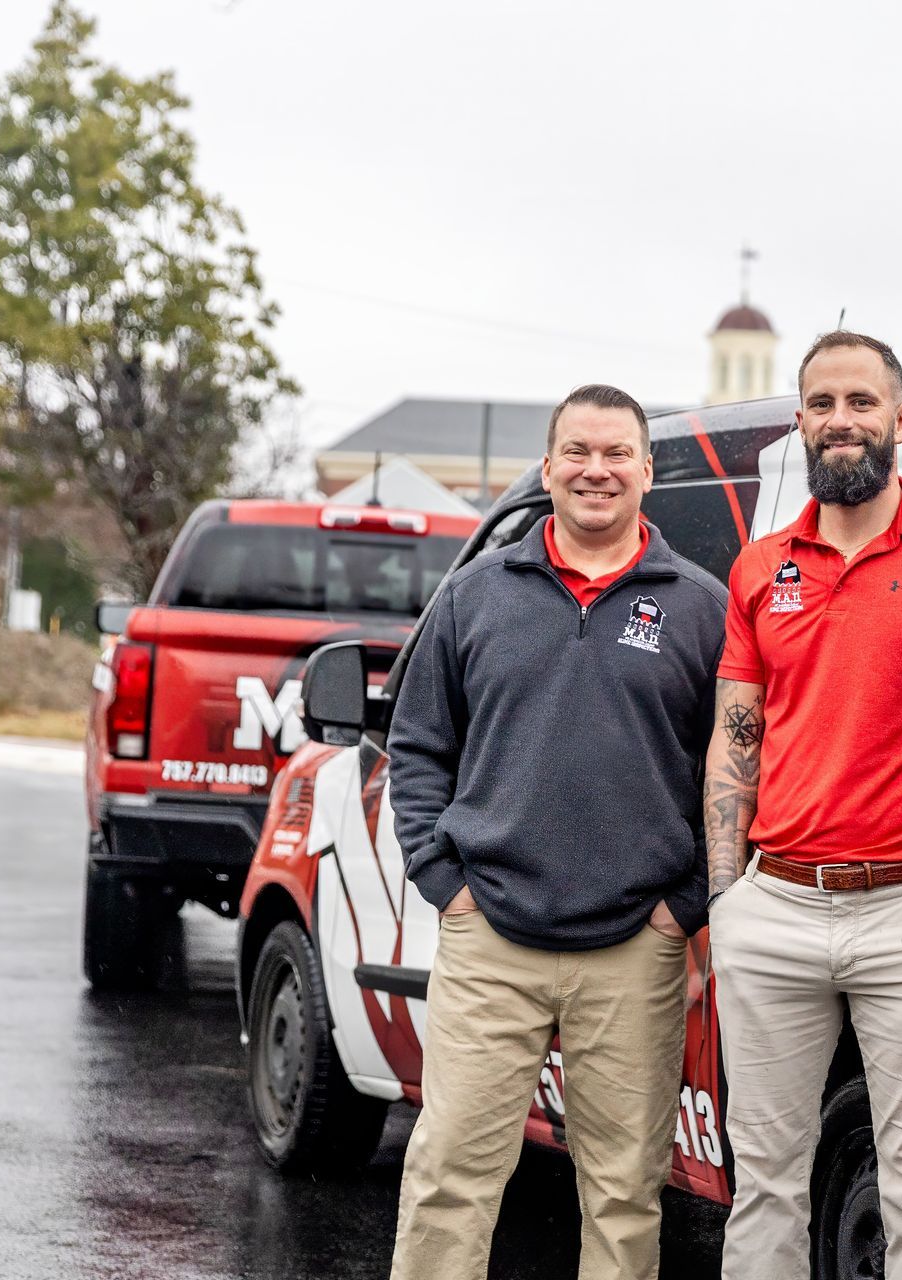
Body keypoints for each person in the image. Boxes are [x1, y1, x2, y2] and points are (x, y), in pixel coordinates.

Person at [386, 383, 728, 1280]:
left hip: (634, 949)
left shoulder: (701, 608)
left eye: (617, 453)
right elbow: (419, 746)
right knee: (450, 1176)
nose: (596, 470)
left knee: (622, 1192)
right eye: (577, 451)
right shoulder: (473, 597)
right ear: (547, 468)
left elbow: (733, 773)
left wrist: (682, 910)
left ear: (648, 473)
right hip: (490, 935)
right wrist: (445, 884)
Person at [704, 330, 902, 1280]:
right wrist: (725, 893)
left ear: (901, 420)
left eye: (863, 403)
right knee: (764, 1180)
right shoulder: (759, 569)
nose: (843, 421)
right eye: (823, 404)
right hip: (774, 906)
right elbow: (736, 735)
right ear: (800, 421)